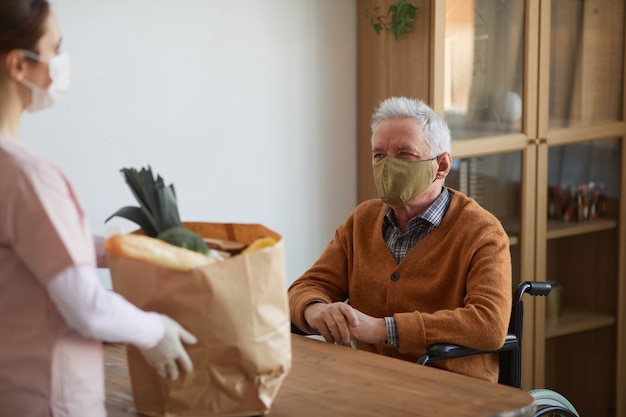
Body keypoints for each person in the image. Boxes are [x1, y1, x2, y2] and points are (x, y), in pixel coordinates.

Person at [0, 1, 197, 415]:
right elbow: (86, 306)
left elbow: (32, 249)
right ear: (19, 65)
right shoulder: (27, 176)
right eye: (55, 49)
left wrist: (125, 250)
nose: (60, 62)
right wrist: (155, 329)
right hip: (48, 396)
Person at [289, 96, 512, 383]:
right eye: (379, 155)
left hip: (452, 391)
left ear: (441, 165)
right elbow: (307, 286)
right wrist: (316, 310)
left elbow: (488, 325)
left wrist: (384, 329)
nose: (388, 165)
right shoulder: (363, 220)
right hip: (369, 383)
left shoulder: (481, 231)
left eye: (404, 154)